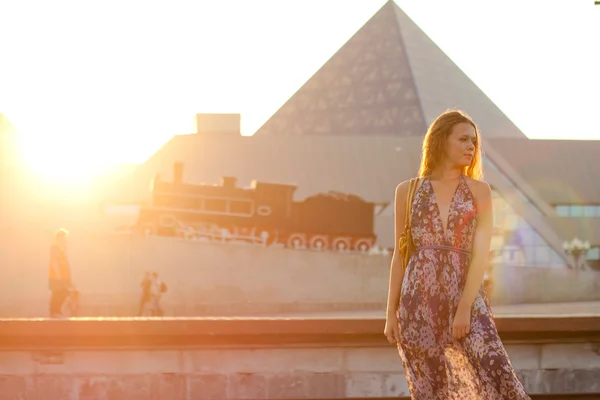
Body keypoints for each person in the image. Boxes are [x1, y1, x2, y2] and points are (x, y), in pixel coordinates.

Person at [384, 110, 529, 399]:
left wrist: (464, 307)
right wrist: (390, 312)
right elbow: (401, 255)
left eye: (474, 142)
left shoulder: (480, 191)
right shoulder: (407, 191)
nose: (471, 147)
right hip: (418, 303)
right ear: (440, 140)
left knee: (496, 371)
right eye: (463, 139)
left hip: (466, 299)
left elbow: (481, 254)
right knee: (432, 388)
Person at [48, 228, 72, 318]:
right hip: (57, 277)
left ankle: (56, 311)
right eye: (63, 238)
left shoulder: (61, 249)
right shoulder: (55, 248)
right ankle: (54, 311)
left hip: (64, 276)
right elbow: (54, 262)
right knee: (58, 292)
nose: (64, 240)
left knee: (64, 292)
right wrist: (58, 275)